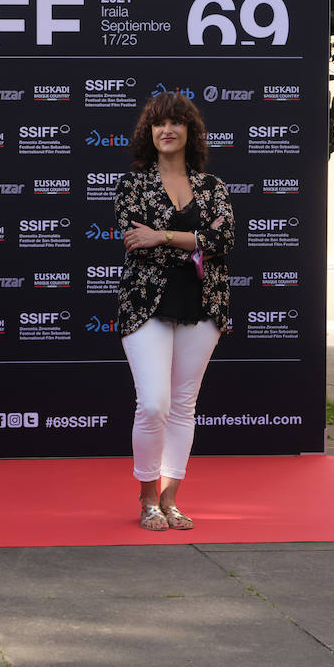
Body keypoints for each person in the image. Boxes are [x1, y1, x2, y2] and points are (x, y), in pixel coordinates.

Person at [114, 92, 234, 531]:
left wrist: (162, 236)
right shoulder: (131, 185)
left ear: (189, 131)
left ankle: (170, 500)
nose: (167, 130)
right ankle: (146, 498)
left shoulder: (212, 186)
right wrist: (193, 238)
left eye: (176, 123)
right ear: (150, 133)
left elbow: (224, 242)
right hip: (146, 303)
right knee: (154, 404)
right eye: (158, 124)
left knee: (184, 405)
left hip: (203, 303)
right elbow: (134, 241)